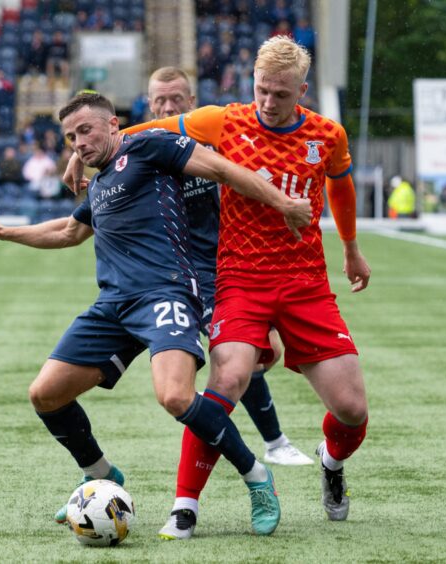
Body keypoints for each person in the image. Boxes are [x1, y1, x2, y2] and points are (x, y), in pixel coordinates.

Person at [0, 92, 311, 537]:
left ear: (113, 125)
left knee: (175, 397)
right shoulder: (102, 181)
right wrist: (5, 231)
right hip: (112, 306)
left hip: (165, 292)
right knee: (45, 394)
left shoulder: (148, 147)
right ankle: (100, 474)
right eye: (70, 137)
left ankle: (257, 477)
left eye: (86, 131)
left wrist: (283, 203)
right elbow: (70, 231)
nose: (78, 143)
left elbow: (222, 169)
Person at [92, 36, 372, 538]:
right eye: (261, 90)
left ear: (302, 91)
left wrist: (351, 248)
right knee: (226, 381)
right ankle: (185, 506)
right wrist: (96, 146)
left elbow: (341, 183)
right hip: (240, 280)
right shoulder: (223, 120)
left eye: (280, 94)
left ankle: (330, 462)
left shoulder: (327, 134)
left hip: (306, 283)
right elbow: (151, 130)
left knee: (352, 410)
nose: (267, 102)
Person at [147, 66, 313, 471]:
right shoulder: (143, 151)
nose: (168, 106)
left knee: (260, 354)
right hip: (184, 275)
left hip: (233, 264)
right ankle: (266, 444)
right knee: (242, 355)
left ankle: (263, 440)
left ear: (190, 103)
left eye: (176, 100)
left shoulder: (218, 142)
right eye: (159, 101)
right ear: (150, 106)